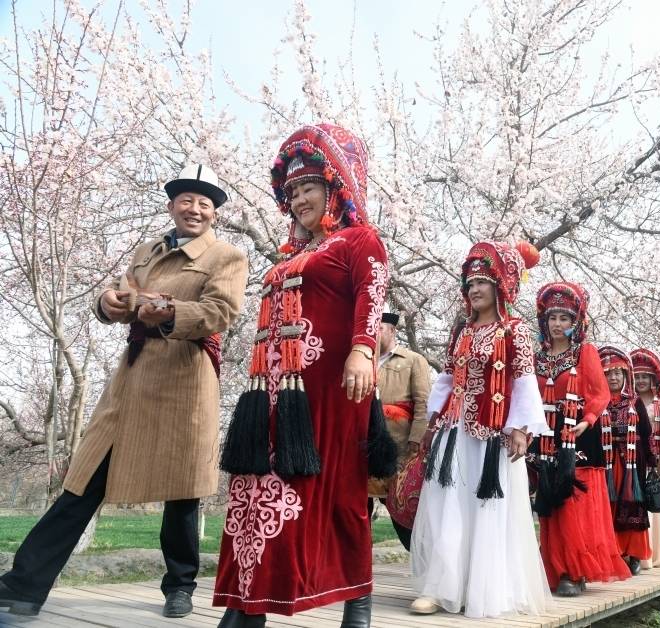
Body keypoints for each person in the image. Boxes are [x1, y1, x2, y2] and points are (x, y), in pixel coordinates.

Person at [0, 165, 248, 619]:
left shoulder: (226, 258)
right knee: (83, 479)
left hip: (185, 379)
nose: (195, 209)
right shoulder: (147, 250)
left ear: (214, 214)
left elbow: (220, 313)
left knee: (183, 489)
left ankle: (180, 586)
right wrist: (107, 303)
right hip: (131, 379)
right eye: (186, 201)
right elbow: (122, 295)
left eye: (205, 204)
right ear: (173, 206)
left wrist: (167, 310)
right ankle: (22, 586)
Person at [212, 124, 389, 628]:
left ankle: (359, 596)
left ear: (336, 188)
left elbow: (371, 297)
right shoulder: (290, 253)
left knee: (339, 491)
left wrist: (361, 351)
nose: (297, 198)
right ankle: (248, 600)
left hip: (335, 385)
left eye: (308, 186)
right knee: (262, 486)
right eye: (290, 191)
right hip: (277, 391)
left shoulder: (360, 240)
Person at [409, 240, 550, 618]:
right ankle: (443, 587)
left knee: (485, 509)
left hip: (491, 435)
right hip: (454, 431)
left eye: (483, 281)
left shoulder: (515, 331)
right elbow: (446, 377)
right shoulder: (463, 331)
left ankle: (483, 587)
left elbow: (523, 380)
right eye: (470, 282)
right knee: (446, 506)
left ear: (501, 284)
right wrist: (432, 420)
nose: (474, 289)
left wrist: (520, 427)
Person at [532, 283, 630, 596]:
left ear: (576, 322)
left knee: (575, 502)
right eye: (552, 317)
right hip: (546, 433)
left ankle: (575, 571)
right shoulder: (538, 358)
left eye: (564, 317)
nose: (557, 323)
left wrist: (586, 422)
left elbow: (600, 393)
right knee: (551, 503)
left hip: (579, 435)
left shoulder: (583, 352)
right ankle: (556, 567)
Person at [368, 310, 432, 550]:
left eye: (379, 327)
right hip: (363, 445)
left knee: (402, 512)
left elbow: (423, 403)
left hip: (398, 446)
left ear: (392, 330)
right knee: (358, 512)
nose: (373, 332)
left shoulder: (413, 360)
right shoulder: (361, 360)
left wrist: (416, 441)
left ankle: (426, 563)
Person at [599, 346, 651, 575]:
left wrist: (650, 462)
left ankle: (634, 554)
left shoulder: (635, 402)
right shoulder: (598, 401)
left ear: (625, 375)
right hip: (607, 461)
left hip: (632, 462)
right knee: (609, 507)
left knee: (632, 505)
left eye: (617, 373)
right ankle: (613, 552)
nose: (613, 378)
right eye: (608, 373)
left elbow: (647, 432)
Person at [629, 348, 660, 569]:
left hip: (655, 463)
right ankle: (638, 553)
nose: (641, 381)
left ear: (653, 379)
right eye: (636, 377)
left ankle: (654, 555)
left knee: (655, 508)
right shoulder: (628, 402)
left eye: (645, 377)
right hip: (633, 460)